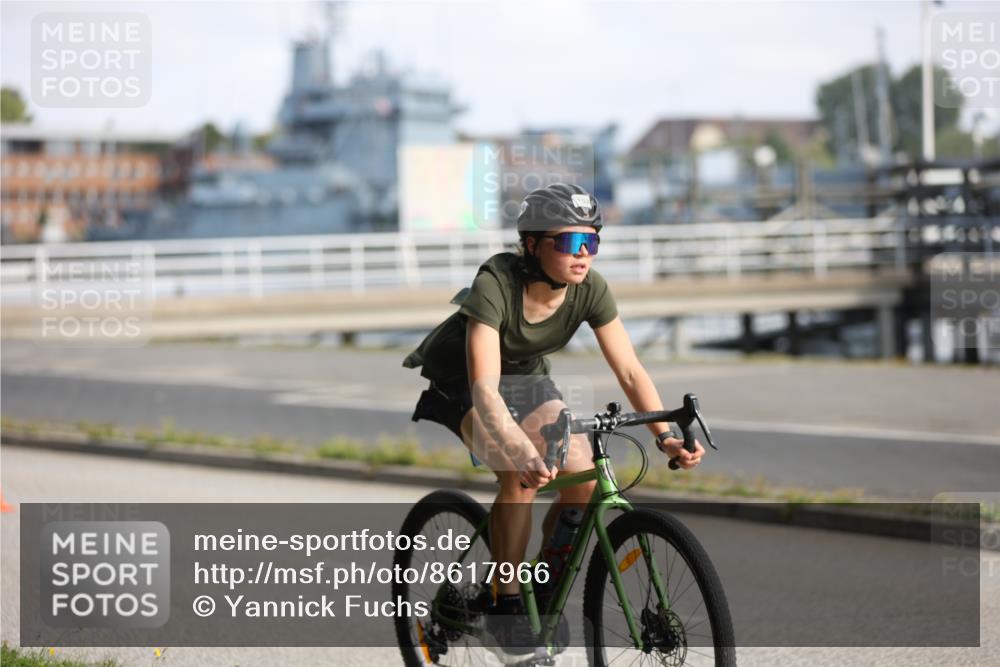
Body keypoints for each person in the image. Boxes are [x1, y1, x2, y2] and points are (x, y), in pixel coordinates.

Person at [402, 182, 705, 660]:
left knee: (580, 473)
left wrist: (665, 436)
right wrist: (518, 449)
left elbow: (629, 369)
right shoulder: (497, 283)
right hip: (461, 381)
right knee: (520, 472)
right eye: (568, 242)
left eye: (592, 242)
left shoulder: (590, 289)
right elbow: (484, 388)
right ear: (531, 244)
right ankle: (505, 605)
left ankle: (540, 592)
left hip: (526, 379)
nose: (582, 254)